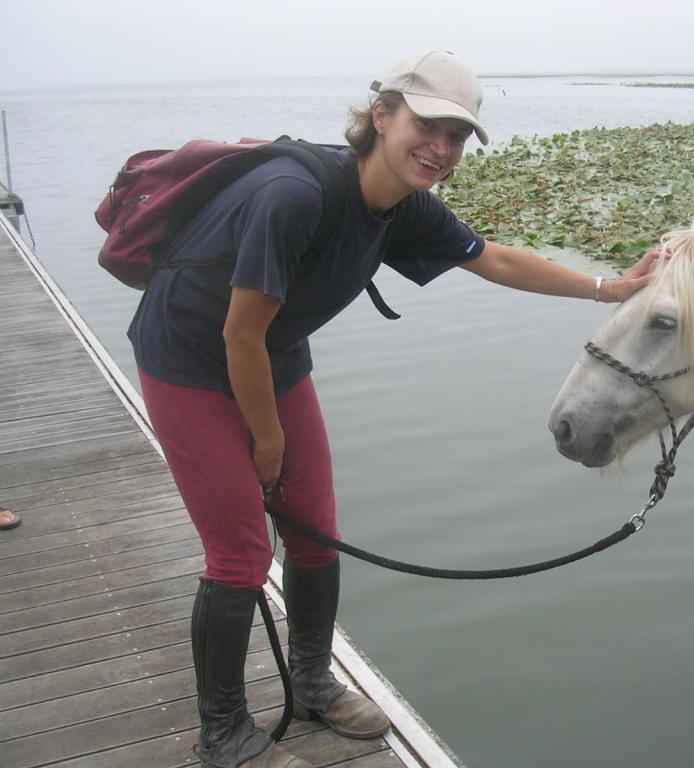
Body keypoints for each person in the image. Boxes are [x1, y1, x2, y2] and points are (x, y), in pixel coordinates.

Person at [127, 49, 661, 768]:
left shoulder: (401, 208)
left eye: (458, 136)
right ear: (381, 116)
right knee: (241, 554)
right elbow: (238, 332)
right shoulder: (294, 196)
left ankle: (313, 681)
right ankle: (224, 735)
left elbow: (495, 259)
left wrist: (611, 289)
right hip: (189, 357)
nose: (442, 149)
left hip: (272, 354)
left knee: (314, 531)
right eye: (429, 126)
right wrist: (265, 439)